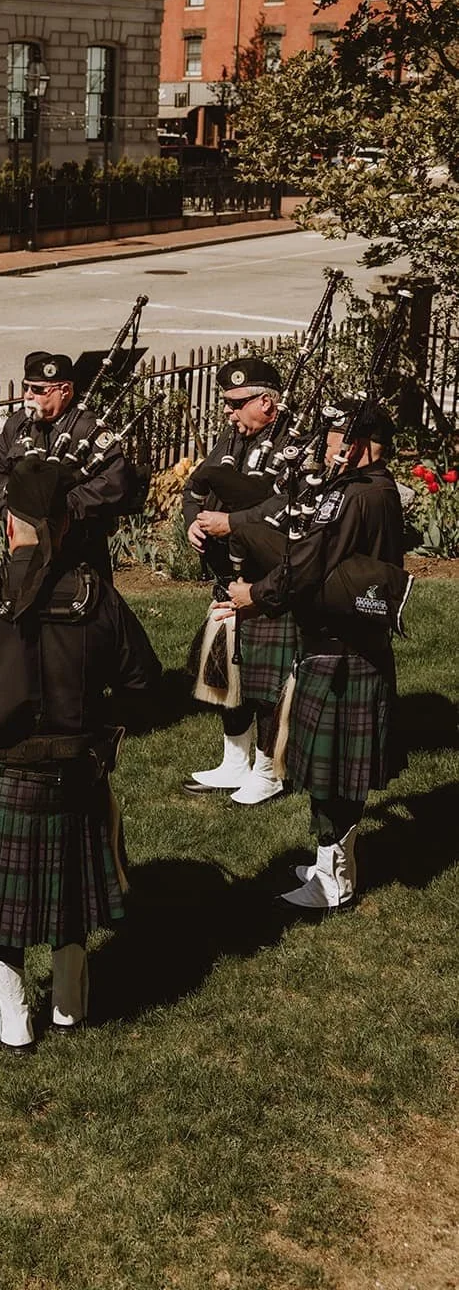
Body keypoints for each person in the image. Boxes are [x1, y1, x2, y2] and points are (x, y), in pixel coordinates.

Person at [0, 457, 160, 1052]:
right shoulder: (99, 598)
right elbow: (144, 681)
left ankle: (15, 1018)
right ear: (65, 527)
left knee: (2, 908)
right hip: (74, 774)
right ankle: (71, 1005)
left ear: (10, 524)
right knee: (68, 892)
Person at [224, 402, 405, 913]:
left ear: (358, 443)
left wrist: (255, 595)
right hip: (339, 644)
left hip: (346, 654)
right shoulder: (368, 490)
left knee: (337, 775)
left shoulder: (358, 497)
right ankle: (329, 860)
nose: (326, 446)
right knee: (328, 770)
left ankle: (336, 880)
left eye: (334, 437)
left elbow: (305, 564)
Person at [182, 356, 298, 806]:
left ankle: (268, 771)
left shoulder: (297, 442)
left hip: (268, 577)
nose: (228, 413)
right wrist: (194, 520)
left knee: (268, 681)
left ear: (266, 402)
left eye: (236, 403)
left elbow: (290, 503)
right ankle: (235, 761)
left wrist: (233, 521)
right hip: (227, 574)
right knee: (225, 667)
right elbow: (200, 484)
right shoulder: (235, 434)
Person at [0, 350, 144, 583]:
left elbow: (113, 482)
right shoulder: (17, 425)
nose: (28, 395)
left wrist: (63, 509)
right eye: (26, 387)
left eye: (38, 390)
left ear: (65, 391)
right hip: (26, 545)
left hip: (79, 546)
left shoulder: (88, 429)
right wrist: (15, 512)